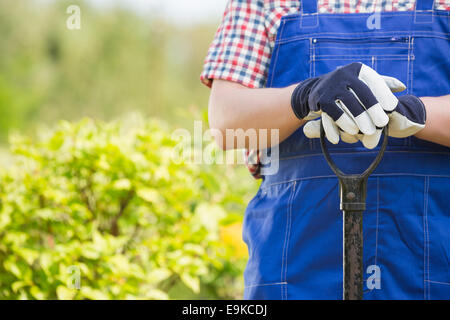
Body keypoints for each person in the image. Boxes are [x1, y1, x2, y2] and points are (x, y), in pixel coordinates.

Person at [201, 0, 450, 299]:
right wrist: (304, 97)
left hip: (435, 270)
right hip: (293, 275)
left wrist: (416, 112)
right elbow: (227, 123)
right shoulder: (263, 3)